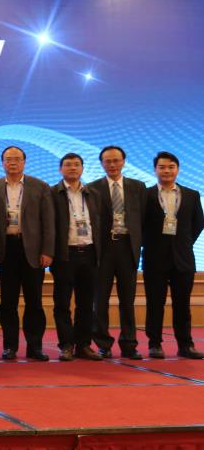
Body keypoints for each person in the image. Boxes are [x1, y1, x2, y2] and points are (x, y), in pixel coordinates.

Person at [0, 146, 54, 361]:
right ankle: (10, 346)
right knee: (7, 302)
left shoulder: (40, 186)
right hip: (6, 250)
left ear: (24, 162)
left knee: (34, 301)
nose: (13, 162)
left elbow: (48, 222)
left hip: (33, 251)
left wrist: (47, 250)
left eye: (17, 159)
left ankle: (35, 347)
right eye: (8, 159)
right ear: (2, 163)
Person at [142, 151, 204, 359]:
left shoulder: (192, 195)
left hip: (183, 259)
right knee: (155, 303)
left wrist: (183, 243)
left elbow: (198, 223)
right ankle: (154, 344)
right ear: (155, 170)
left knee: (182, 304)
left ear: (177, 169)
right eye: (162, 167)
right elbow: (140, 225)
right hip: (154, 258)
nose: (166, 171)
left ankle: (185, 345)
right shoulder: (146, 195)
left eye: (171, 167)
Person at [89, 145, 147, 360]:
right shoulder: (93, 188)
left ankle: (129, 344)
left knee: (127, 300)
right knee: (100, 299)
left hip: (127, 247)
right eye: (108, 161)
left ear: (123, 162)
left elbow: (144, 218)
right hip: (103, 249)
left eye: (116, 160)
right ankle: (103, 344)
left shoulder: (138, 187)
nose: (112, 165)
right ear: (102, 163)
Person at [49, 153, 103, 361]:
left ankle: (83, 345)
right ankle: (66, 345)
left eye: (76, 164)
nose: (72, 168)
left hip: (89, 253)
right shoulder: (52, 193)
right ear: (60, 168)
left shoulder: (93, 193)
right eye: (68, 164)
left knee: (86, 303)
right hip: (64, 255)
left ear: (82, 168)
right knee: (62, 303)